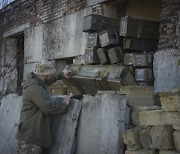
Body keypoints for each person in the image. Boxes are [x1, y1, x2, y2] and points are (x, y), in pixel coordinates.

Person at [16, 62, 71, 154]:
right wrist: (64, 103)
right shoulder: (35, 88)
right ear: (44, 75)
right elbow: (49, 108)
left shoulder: (35, 80)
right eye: (49, 73)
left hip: (31, 133)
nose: (51, 75)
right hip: (31, 138)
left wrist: (62, 74)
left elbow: (47, 81)